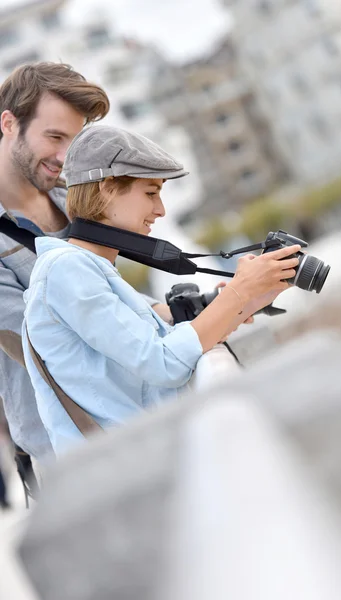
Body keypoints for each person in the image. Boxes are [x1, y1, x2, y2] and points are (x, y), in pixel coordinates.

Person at [22, 125, 300, 456]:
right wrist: (238, 294)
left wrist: (245, 301)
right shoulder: (66, 271)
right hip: (125, 478)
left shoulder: (87, 269)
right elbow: (162, 362)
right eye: (151, 193)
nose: (161, 210)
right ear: (108, 188)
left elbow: (154, 348)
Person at [0, 62, 169, 465]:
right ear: (8, 124)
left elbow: (114, 301)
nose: (64, 157)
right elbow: (33, 341)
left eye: (74, 143)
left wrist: (190, 311)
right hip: (69, 456)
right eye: (54, 136)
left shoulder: (71, 199)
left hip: (141, 426)